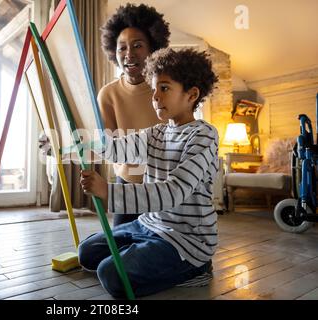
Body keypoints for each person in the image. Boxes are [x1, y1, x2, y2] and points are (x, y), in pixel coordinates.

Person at [79, 47, 220, 298]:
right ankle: (145, 253)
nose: (154, 96)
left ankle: (197, 269)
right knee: (86, 253)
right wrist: (75, 143)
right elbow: (115, 149)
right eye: (154, 88)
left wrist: (108, 192)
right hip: (148, 225)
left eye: (164, 88)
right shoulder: (156, 132)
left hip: (185, 240)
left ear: (191, 95)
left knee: (110, 274)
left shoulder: (204, 136)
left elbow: (173, 192)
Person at [97, 3, 170, 227]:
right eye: (122, 48)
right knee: (112, 253)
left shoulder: (168, 87)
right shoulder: (108, 94)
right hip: (127, 185)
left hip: (165, 187)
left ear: (152, 48)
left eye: (137, 45)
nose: (129, 54)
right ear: (113, 52)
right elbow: (109, 148)